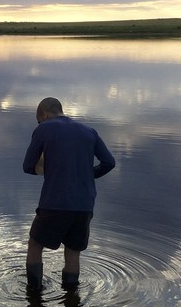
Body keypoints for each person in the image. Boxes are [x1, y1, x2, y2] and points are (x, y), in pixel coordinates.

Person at [22, 97, 115, 288]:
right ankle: (71, 297)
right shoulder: (89, 132)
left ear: (45, 115)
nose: (39, 124)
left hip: (55, 202)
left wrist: (45, 168)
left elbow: (28, 166)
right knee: (73, 253)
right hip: (84, 204)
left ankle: (34, 293)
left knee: (35, 245)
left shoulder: (44, 129)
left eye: (39, 121)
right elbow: (109, 163)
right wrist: (88, 175)